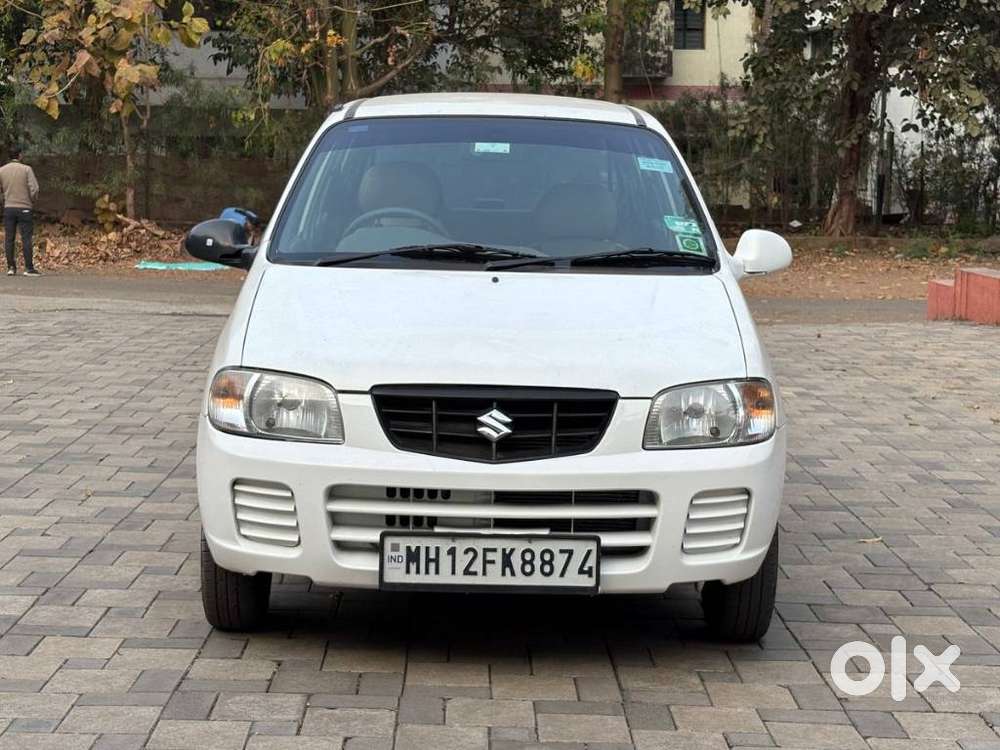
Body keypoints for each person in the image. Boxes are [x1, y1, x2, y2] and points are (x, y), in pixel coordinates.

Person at [1, 147, 40, 276]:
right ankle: (28, 268)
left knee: (9, 238)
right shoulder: (26, 169)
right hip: (25, 208)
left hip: (9, 208)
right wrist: (31, 200)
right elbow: (35, 188)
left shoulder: (2, 170)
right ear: (20, 155)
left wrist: (4, 200)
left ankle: (11, 267)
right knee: (26, 238)